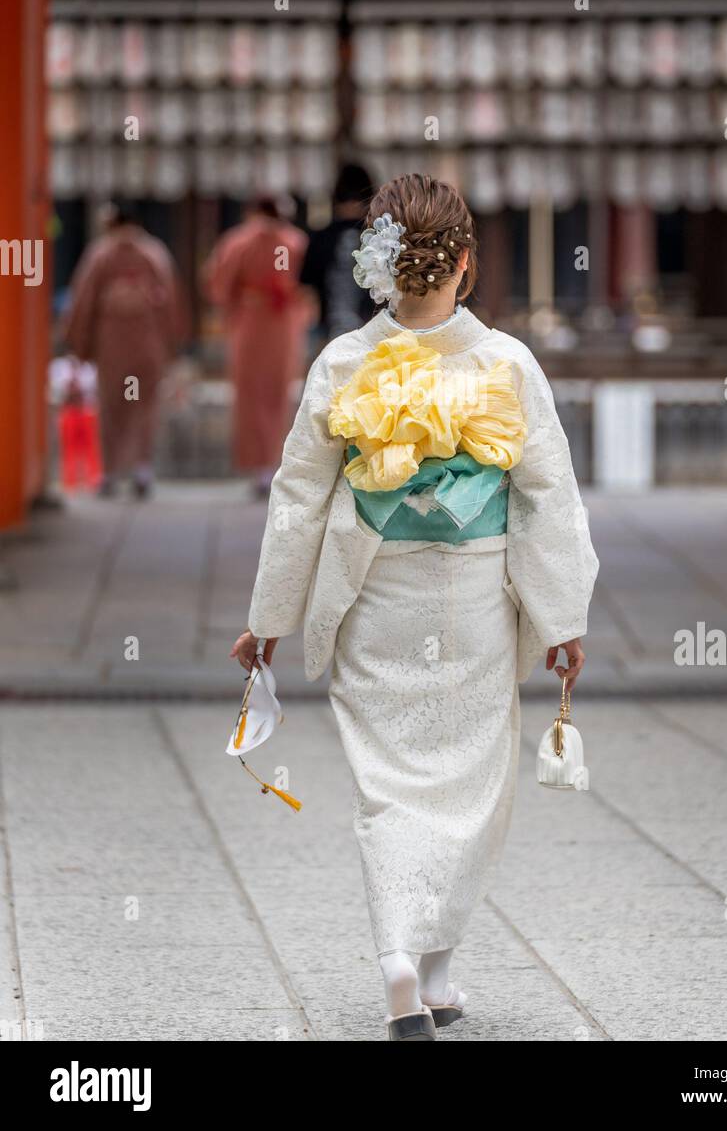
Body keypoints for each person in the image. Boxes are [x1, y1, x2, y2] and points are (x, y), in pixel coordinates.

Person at [230, 174, 599, 1040]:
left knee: (390, 784)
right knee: (471, 780)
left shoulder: (344, 363)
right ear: (465, 265)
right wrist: (562, 619)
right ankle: (427, 962)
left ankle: (412, 966)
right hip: (474, 594)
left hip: (375, 590)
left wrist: (269, 617)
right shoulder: (506, 363)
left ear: (378, 266)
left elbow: (297, 499)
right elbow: (548, 497)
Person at [64, 202, 186, 499]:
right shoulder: (154, 253)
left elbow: (84, 302)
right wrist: (174, 344)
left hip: (111, 344)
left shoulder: (101, 254)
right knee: (144, 405)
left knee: (112, 405)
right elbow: (171, 301)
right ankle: (141, 468)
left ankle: (110, 471)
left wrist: (79, 344)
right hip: (148, 343)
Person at [205, 197, 311, 499]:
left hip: (251, 321)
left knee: (250, 392)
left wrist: (232, 307)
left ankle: (259, 469)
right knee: (280, 391)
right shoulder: (295, 241)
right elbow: (308, 286)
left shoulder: (239, 241)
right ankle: (278, 463)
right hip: (285, 322)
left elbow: (219, 284)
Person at [300, 162, 376, 338]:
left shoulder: (321, 236)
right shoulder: (380, 236)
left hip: (329, 327)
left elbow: (306, 286)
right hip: (372, 326)